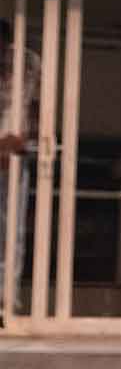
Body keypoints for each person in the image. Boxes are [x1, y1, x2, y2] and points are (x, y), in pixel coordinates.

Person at [0, 18, 39, 325]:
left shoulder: (28, 62)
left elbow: (35, 106)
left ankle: (8, 298)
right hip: (5, 147)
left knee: (14, 230)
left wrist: (24, 138)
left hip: (16, 155)